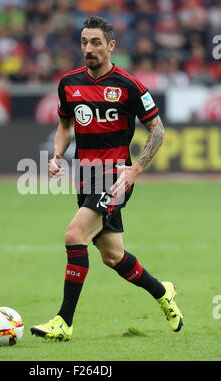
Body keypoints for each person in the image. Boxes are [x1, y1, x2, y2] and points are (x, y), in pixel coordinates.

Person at [31, 16, 183, 341]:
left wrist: (136, 168)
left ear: (111, 45)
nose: (89, 48)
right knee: (113, 256)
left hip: (114, 178)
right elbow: (64, 126)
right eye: (84, 42)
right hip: (85, 178)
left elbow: (158, 130)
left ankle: (63, 322)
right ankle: (162, 292)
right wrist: (58, 155)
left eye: (96, 42)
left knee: (74, 235)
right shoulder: (68, 84)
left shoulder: (129, 85)